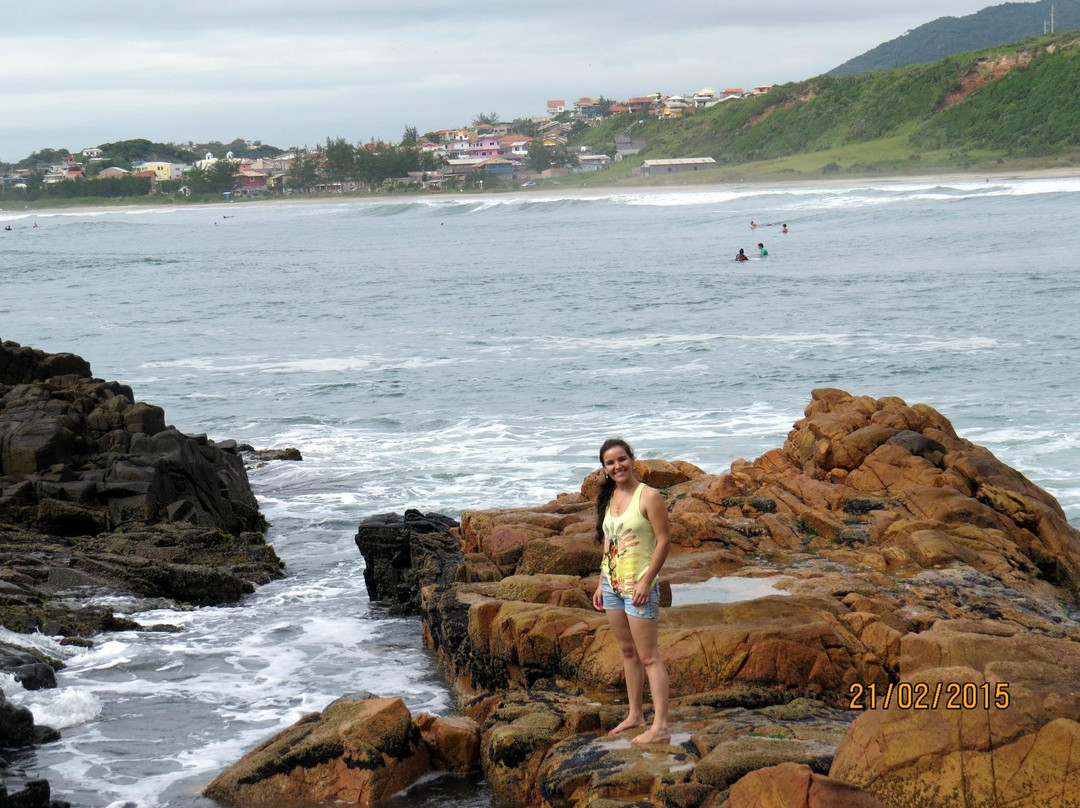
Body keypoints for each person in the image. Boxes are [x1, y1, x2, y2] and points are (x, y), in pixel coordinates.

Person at [592, 438, 671, 745]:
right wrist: (601, 582)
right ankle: (636, 715)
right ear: (604, 468)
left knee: (649, 656)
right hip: (612, 586)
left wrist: (647, 581)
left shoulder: (649, 496)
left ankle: (660, 727)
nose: (617, 466)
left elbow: (664, 541)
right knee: (628, 652)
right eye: (610, 462)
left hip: (639, 587)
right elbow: (609, 543)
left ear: (632, 459)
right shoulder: (609, 497)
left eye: (621, 459)